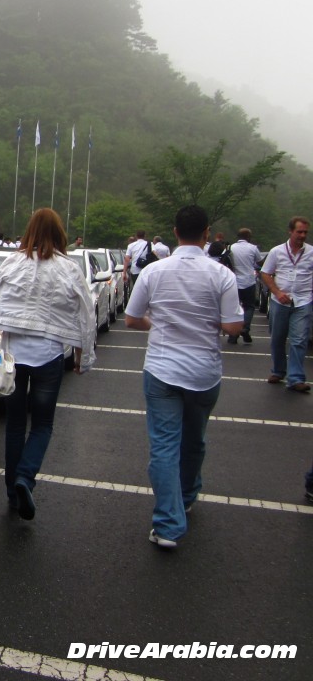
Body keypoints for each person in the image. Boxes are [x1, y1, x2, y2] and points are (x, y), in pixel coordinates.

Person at [125, 205, 243, 549]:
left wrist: (158, 323)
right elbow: (234, 325)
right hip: (205, 372)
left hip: (162, 368)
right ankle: (188, 495)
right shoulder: (221, 274)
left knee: (163, 446)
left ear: (175, 232)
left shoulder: (154, 271)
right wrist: (208, 321)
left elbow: (132, 319)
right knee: (194, 440)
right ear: (207, 233)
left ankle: (167, 525)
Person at [0, 208, 96, 521]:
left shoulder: (11, 262)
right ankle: (25, 478)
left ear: (29, 231)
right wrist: (85, 355)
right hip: (49, 358)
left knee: (15, 424)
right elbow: (87, 313)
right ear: (60, 234)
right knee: (42, 424)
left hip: (12, 358)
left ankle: (11, 493)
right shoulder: (68, 269)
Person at [260, 216, 313, 392]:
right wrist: (277, 292)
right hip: (279, 301)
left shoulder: (311, 252)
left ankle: (296, 378)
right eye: (299, 231)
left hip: (303, 301)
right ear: (290, 231)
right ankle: (278, 370)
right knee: (277, 338)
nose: (302, 235)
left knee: (299, 340)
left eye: (305, 232)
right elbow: (265, 273)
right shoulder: (277, 252)